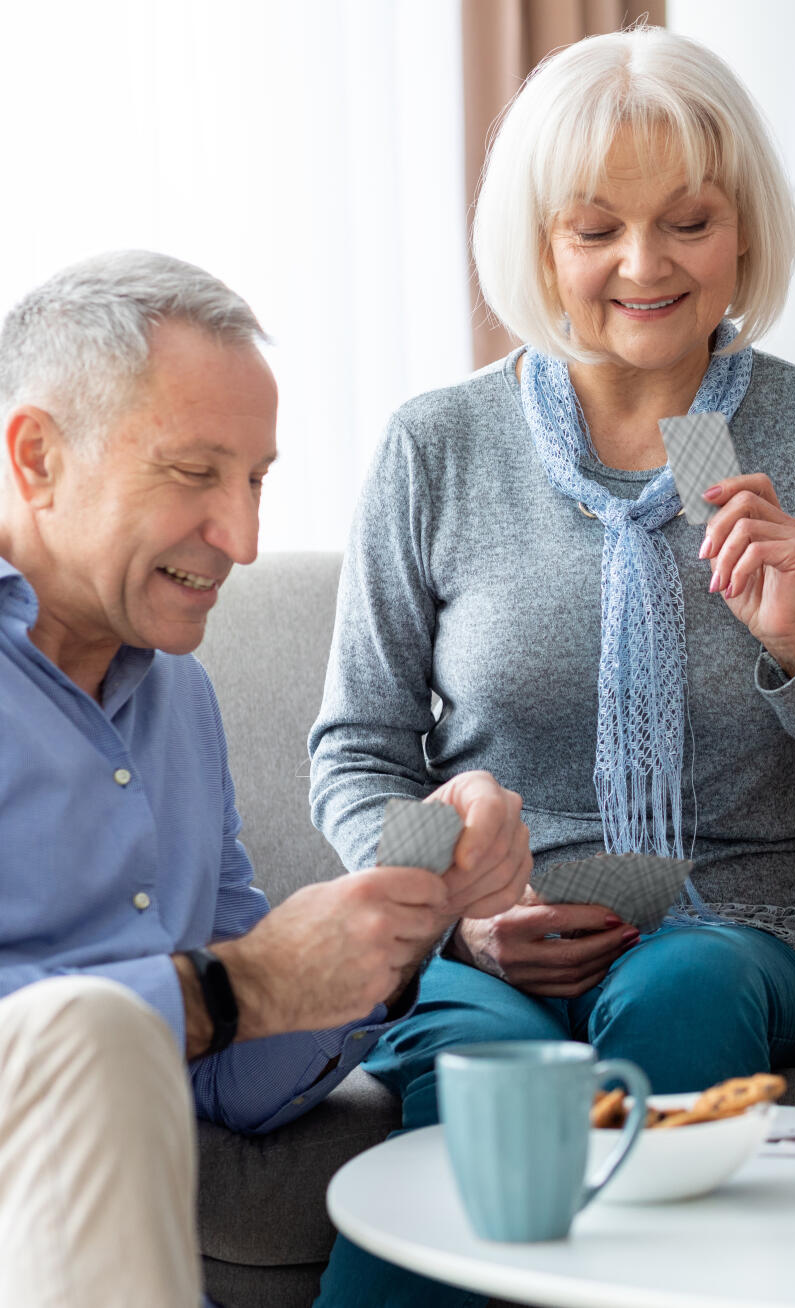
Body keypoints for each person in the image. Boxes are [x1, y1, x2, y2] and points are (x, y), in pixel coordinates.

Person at [308, 28, 795, 1306]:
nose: (642, 265)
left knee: (680, 995)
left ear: (744, 231)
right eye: (593, 227)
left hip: (736, 929)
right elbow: (354, 751)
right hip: (488, 947)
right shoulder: (435, 447)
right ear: (539, 241)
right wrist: (457, 903)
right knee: (484, 1095)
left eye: (688, 220)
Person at [0, 251, 531, 1307]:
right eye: (196, 474)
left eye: (256, 480)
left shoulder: (176, 700)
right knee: (89, 1029)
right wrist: (224, 990)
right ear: (38, 456)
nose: (241, 538)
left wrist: (402, 908)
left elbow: (231, 1081)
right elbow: (195, 1010)